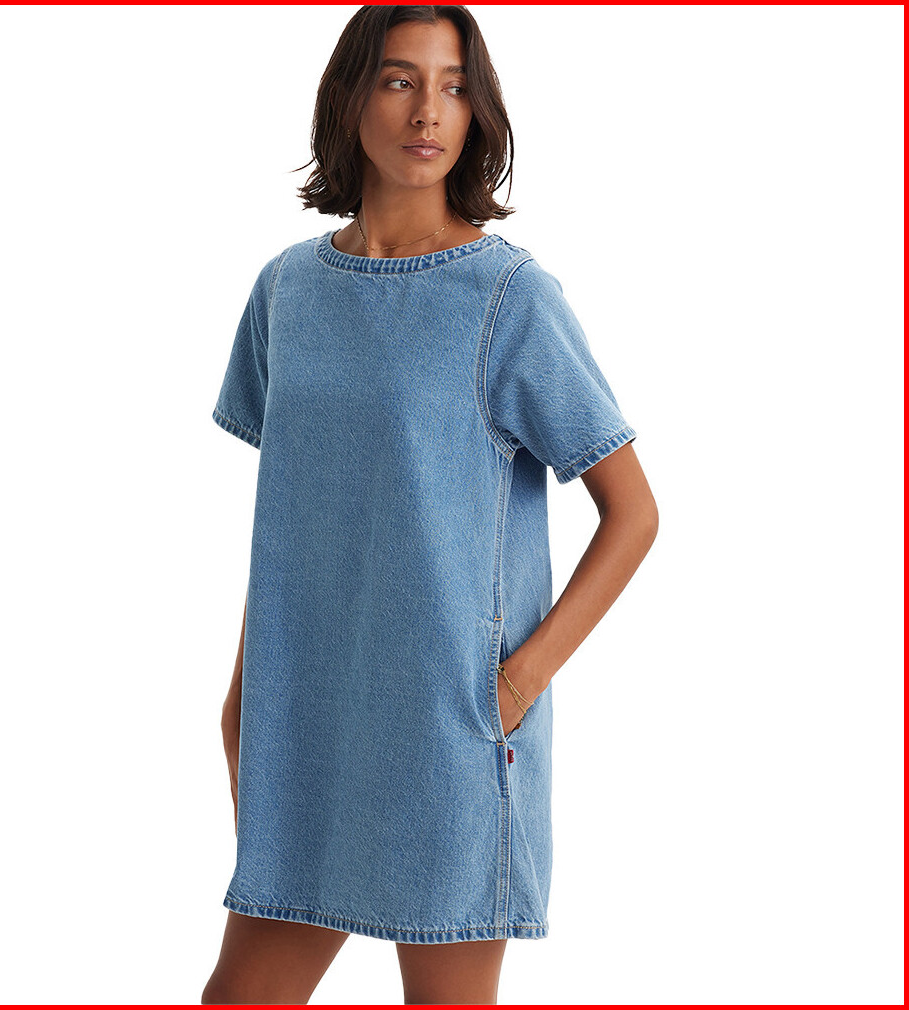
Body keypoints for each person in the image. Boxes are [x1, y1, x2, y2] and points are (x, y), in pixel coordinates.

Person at [201, 5, 658, 1005]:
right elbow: (294, 520)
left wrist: (516, 683)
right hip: (306, 716)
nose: (428, 112)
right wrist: (243, 693)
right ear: (350, 98)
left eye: (454, 86)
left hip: (448, 724)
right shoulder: (286, 291)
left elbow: (632, 514)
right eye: (400, 79)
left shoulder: (508, 297)